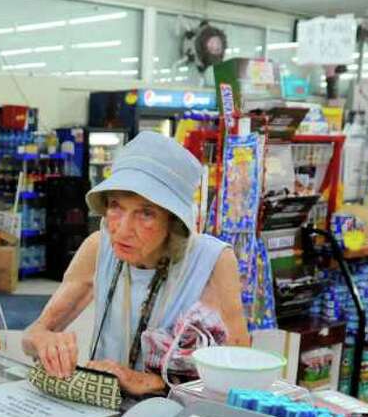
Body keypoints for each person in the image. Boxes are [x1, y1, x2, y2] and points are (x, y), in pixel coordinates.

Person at [23, 131, 249, 397]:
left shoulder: (212, 262)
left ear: (173, 222)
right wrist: (44, 340)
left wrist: (151, 382)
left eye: (146, 213)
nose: (122, 230)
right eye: (116, 206)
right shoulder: (99, 247)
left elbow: (237, 368)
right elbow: (32, 335)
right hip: (105, 407)